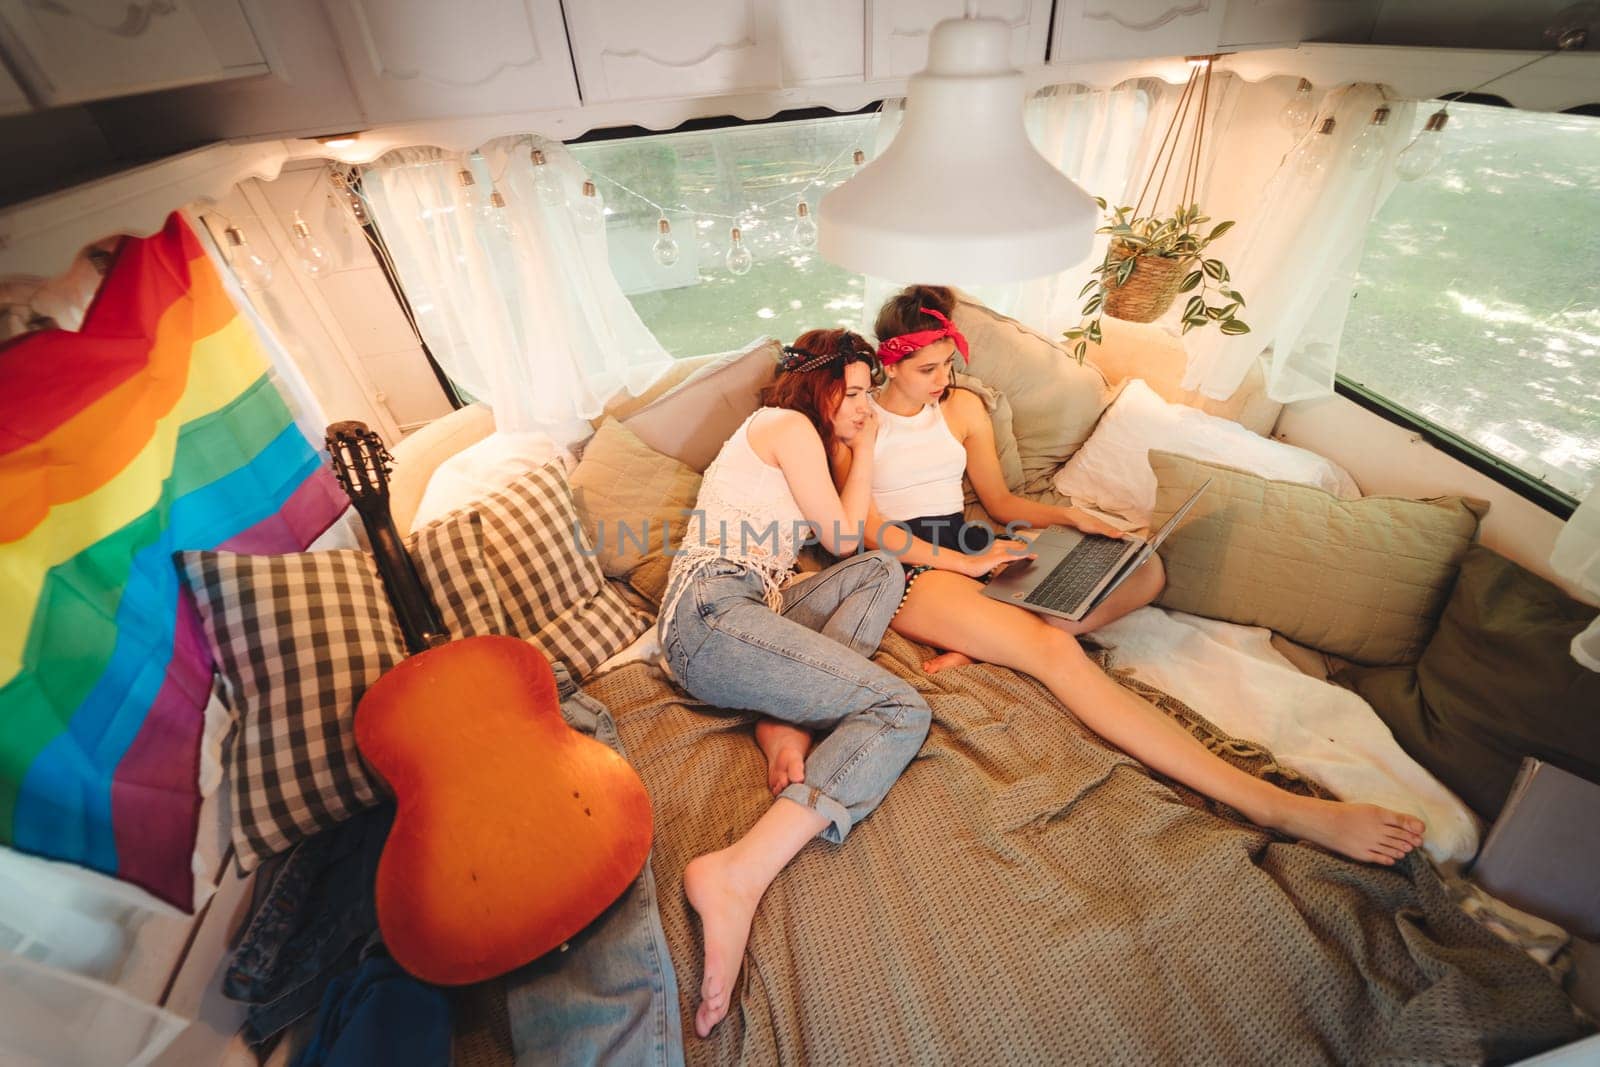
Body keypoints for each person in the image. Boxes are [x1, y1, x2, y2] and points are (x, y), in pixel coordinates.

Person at [761, 284, 1426, 870]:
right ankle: (1279, 806)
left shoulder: (963, 409)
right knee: (1056, 650)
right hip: (907, 566)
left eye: (949, 366)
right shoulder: (855, 421)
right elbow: (871, 531)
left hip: (969, 540)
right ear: (890, 361)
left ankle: (996, 630)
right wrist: (966, 563)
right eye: (929, 368)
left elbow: (1001, 504)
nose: (942, 379)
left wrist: (1077, 517)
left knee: (1145, 569)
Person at [659, 328, 934, 1039]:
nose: (867, 406)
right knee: (900, 707)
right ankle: (736, 874)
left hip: (754, 608)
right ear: (820, 383)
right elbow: (841, 534)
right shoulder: (786, 425)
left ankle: (784, 715)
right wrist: (866, 448)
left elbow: (855, 549)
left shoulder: (801, 438)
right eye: (859, 390)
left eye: (873, 392)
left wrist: (860, 442)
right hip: (712, 613)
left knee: (883, 569)